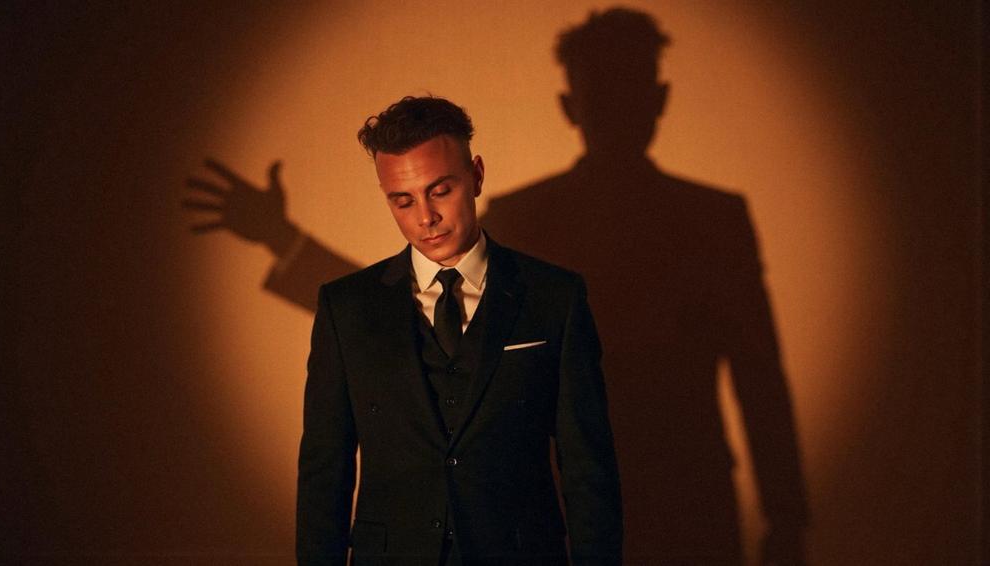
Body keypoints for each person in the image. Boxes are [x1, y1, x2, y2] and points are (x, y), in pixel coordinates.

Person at [184, 8, 809, 565]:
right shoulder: (522, 215)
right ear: (572, 105)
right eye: (602, 94)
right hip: (522, 518)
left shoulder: (712, 221)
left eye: (629, 90)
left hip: (686, 510)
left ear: (659, 96)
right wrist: (285, 241)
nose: (426, 214)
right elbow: (409, 306)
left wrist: (788, 520)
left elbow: (762, 375)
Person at [295, 96, 622, 566]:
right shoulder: (344, 307)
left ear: (477, 176)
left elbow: (588, 466)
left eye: (440, 191)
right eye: (403, 201)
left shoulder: (555, 297)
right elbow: (324, 471)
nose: (425, 217)